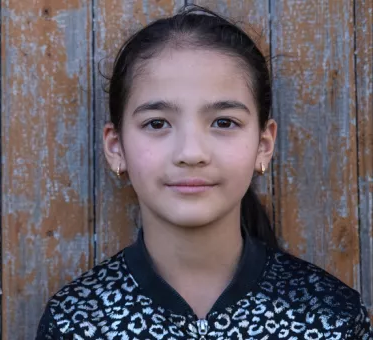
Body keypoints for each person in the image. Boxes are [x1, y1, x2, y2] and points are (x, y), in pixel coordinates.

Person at [35, 5, 373, 339]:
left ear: (263, 144)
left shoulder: (329, 318)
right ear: (116, 147)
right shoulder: (76, 323)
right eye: (157, 123)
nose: (191, 153)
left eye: (224, 122)